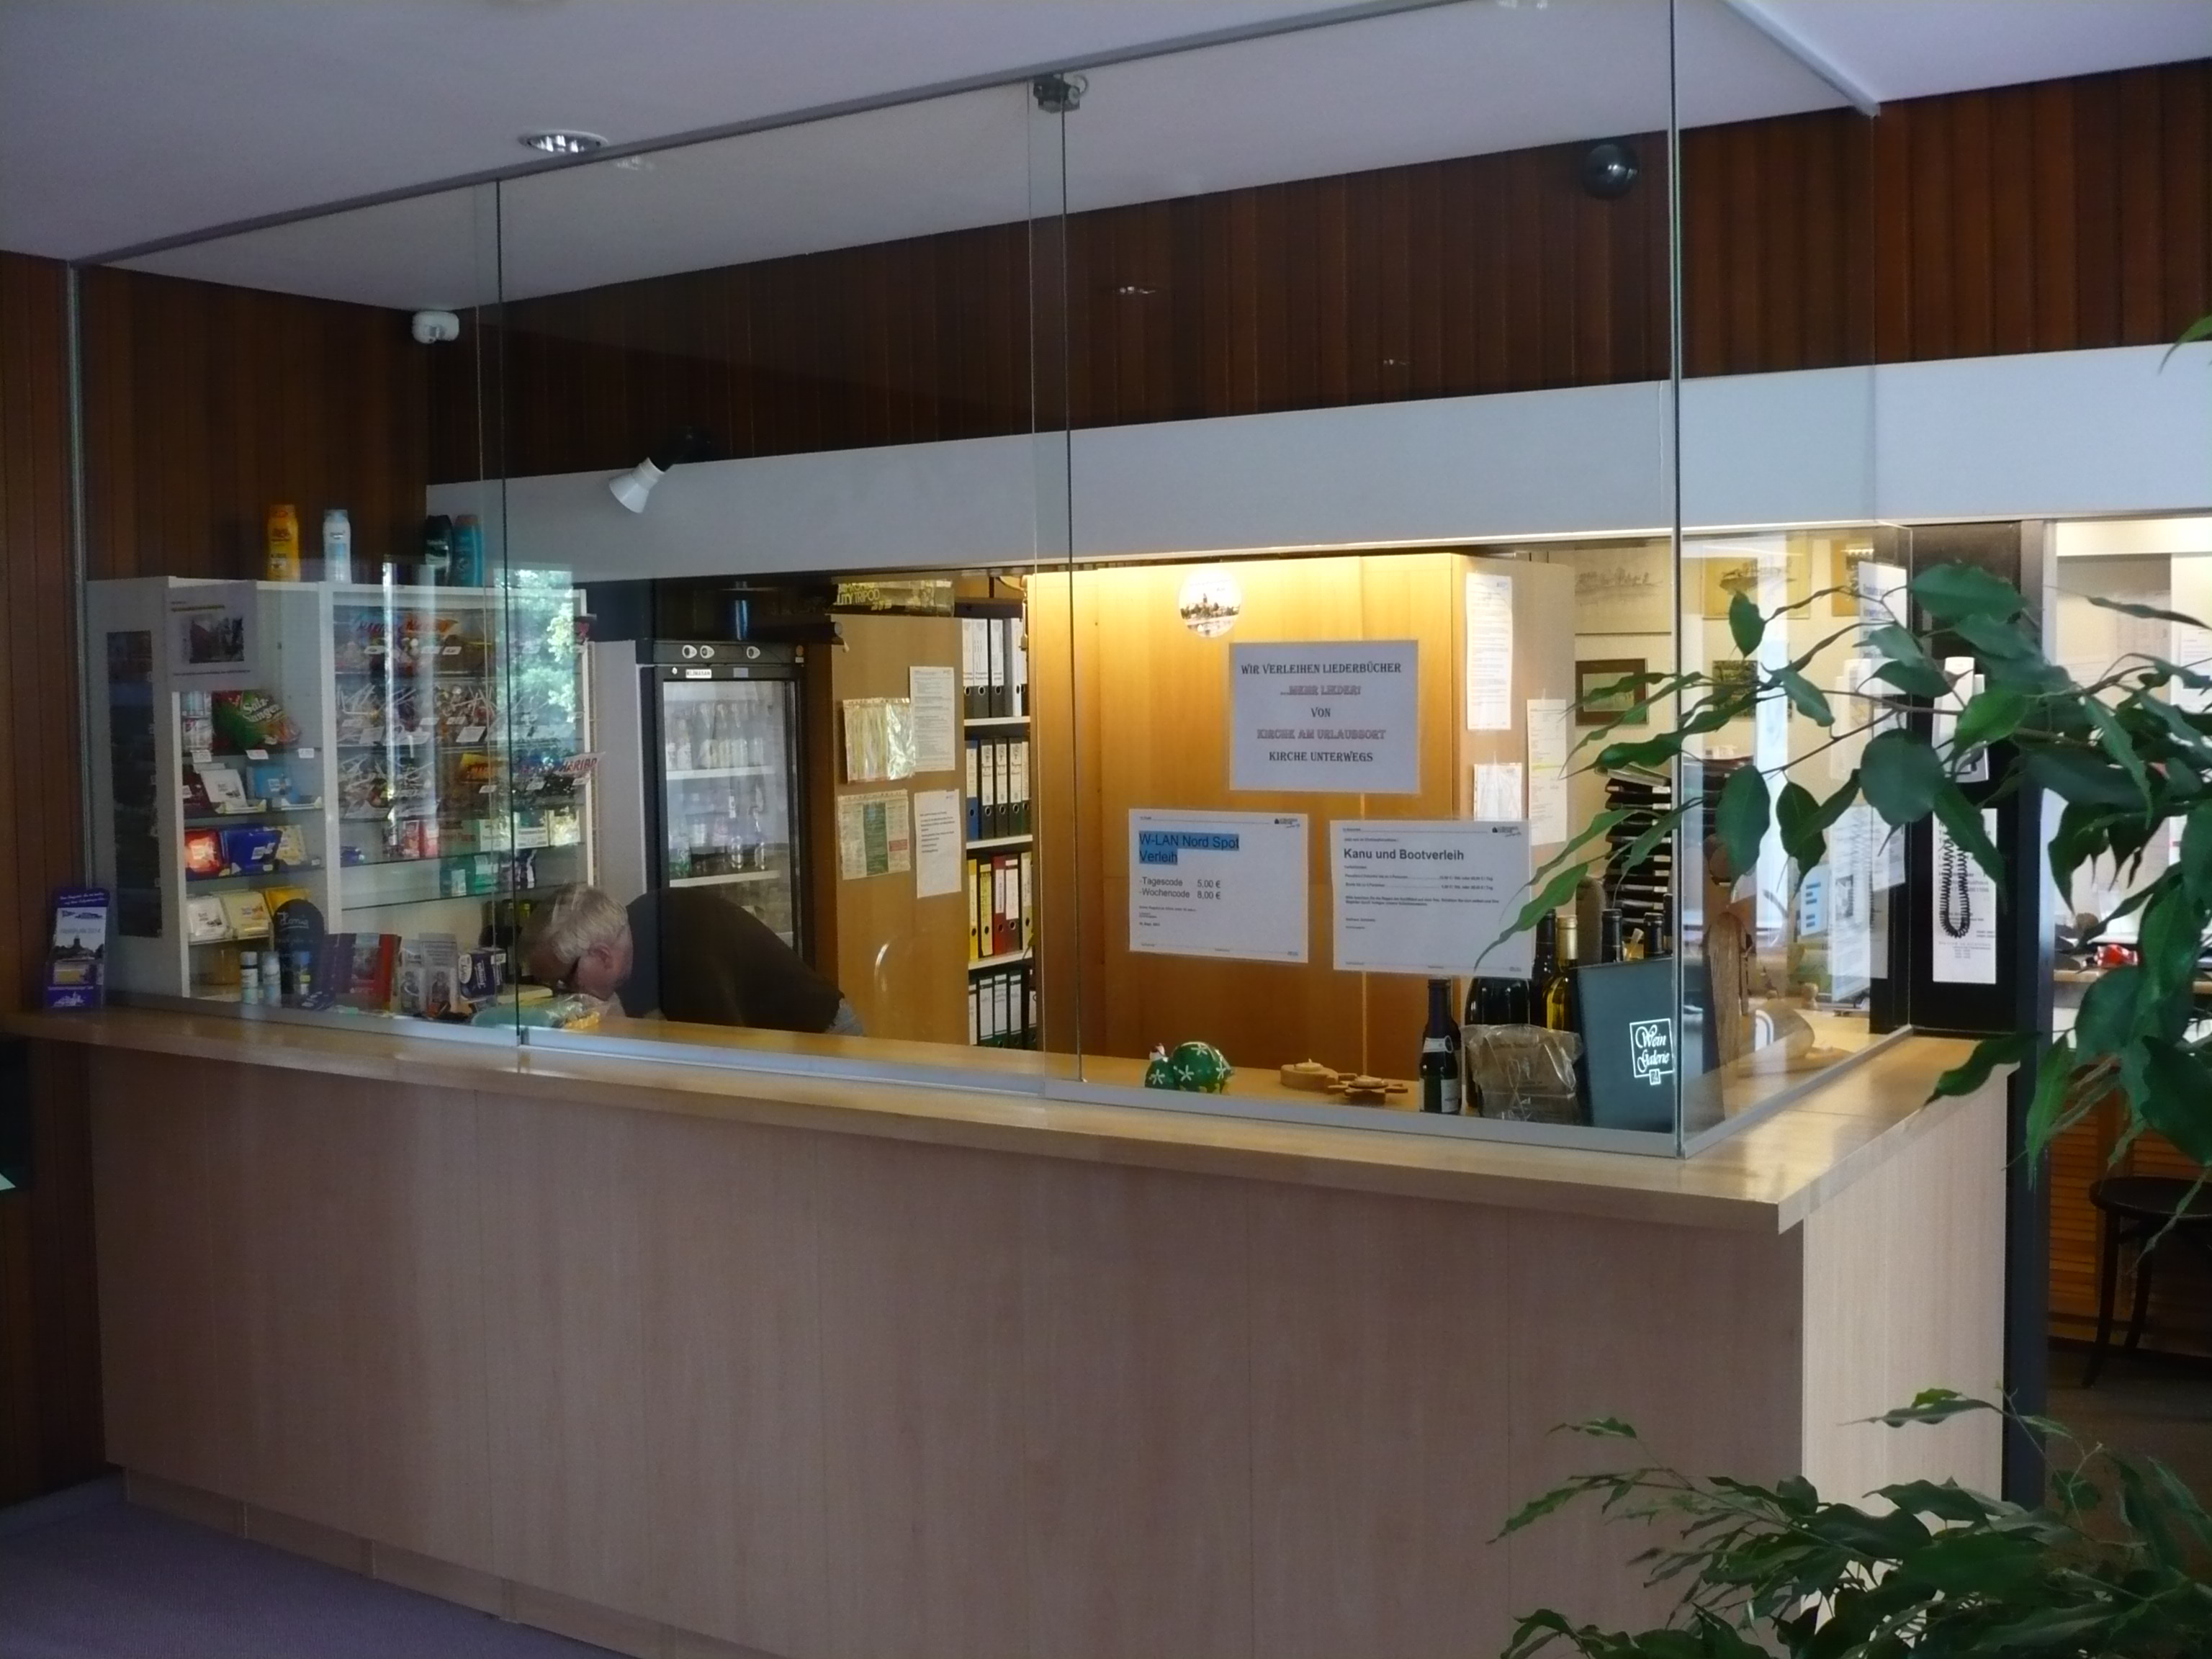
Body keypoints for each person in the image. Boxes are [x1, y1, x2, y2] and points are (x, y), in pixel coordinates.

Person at [521, 883, 863, 1035]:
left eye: (566, 980)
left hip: (820, 1039)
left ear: (601, 955)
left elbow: (726, 1062)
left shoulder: (684, 956)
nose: (566, 994)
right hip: (771, 1047)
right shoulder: (632, 935)